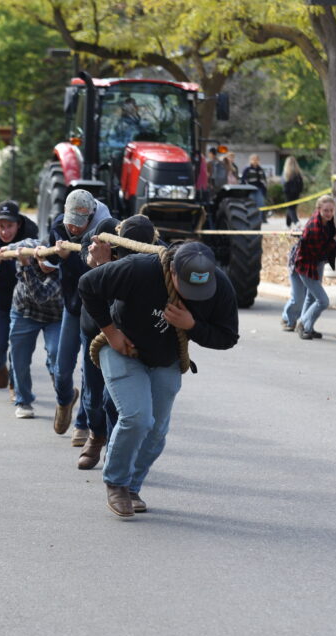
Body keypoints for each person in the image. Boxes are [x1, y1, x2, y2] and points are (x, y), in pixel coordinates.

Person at [78, 241, 239, 518]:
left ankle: (132, 486)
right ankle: (116, 483)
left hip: (166, 358)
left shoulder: (220, 287)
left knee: (156, 433)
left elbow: (228, 337)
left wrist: (192, 326)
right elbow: (87, 284)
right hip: (123, 349)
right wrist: (112, 333)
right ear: (172, 271)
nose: (194, 295)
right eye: (187, 287)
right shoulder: (138, 269)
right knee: (137, 417)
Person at [77, 215, 165, 471]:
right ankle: (96, 434)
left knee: (114, 400)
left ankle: (118, 456)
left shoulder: (158, 254)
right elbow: (85, 249)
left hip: (129, 332)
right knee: (93, 397)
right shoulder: (105, 231)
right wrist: (95, 262)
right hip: (95, 328)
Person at [49, 189, 112, 445]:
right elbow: (49, 255)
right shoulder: (58, 226)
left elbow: (93, 271)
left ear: (92, 217)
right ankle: (64, 400)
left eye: (79, 223)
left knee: (90, 370)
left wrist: (66, 260)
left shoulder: (106, 233)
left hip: (95, 308)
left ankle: (83, 424)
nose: (73, 228)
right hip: (71, 305)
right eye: (70, 222)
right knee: (60, 367)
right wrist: (49, 261)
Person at [0, 201, 38, 390]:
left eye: (10, 226)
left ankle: (16, 388)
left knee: (17, 351)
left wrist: (14, 254)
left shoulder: (30, 234)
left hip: (21, 303)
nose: (5, 232)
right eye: (1, 226)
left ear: (19, 224)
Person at [8, 239, 64, 419]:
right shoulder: (33, 246)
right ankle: (23, 400)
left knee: (56, 353)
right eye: (45, 262)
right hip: (23, 311)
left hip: (55, 317)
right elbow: (13, 246)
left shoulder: (61, 271)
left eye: (52, 264)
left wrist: (25, 267)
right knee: (19, 358)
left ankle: (63, 393)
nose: (48, 267)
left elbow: (41, 295)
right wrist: (0, 252)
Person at [282, 194, 336, 340]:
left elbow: (324, 247)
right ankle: (302, 322)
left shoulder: (327, 222)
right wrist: (335, 239)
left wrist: (334, 237)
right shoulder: (314, 227)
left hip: (317, 262)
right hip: (305, 264)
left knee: (311, 297)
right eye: (326, 210)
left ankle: (307, 328)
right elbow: (321, 249)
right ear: (318, 209)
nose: (329, 213)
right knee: (323, 301)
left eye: (331, 210)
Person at [241, 154, 268, 220]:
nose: (255, 161)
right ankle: (250, 219)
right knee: (250, 205)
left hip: (259, 189)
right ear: (250, 160)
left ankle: (259, 219)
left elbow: (264, 180)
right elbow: (243, 180)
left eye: (256, 159)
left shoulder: (261, 169)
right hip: (250, 189)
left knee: (260, 204)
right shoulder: (247, 169)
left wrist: (264, 190)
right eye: (253, 159)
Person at [282, 156, 304, 228]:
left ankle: (296, 221)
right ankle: (288, 224)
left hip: (288, 194)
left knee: (290, 209)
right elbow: (301, 184)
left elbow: (284, 184)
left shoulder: (286, 173)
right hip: (296, 193)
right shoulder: (298, 173)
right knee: (291, 208)